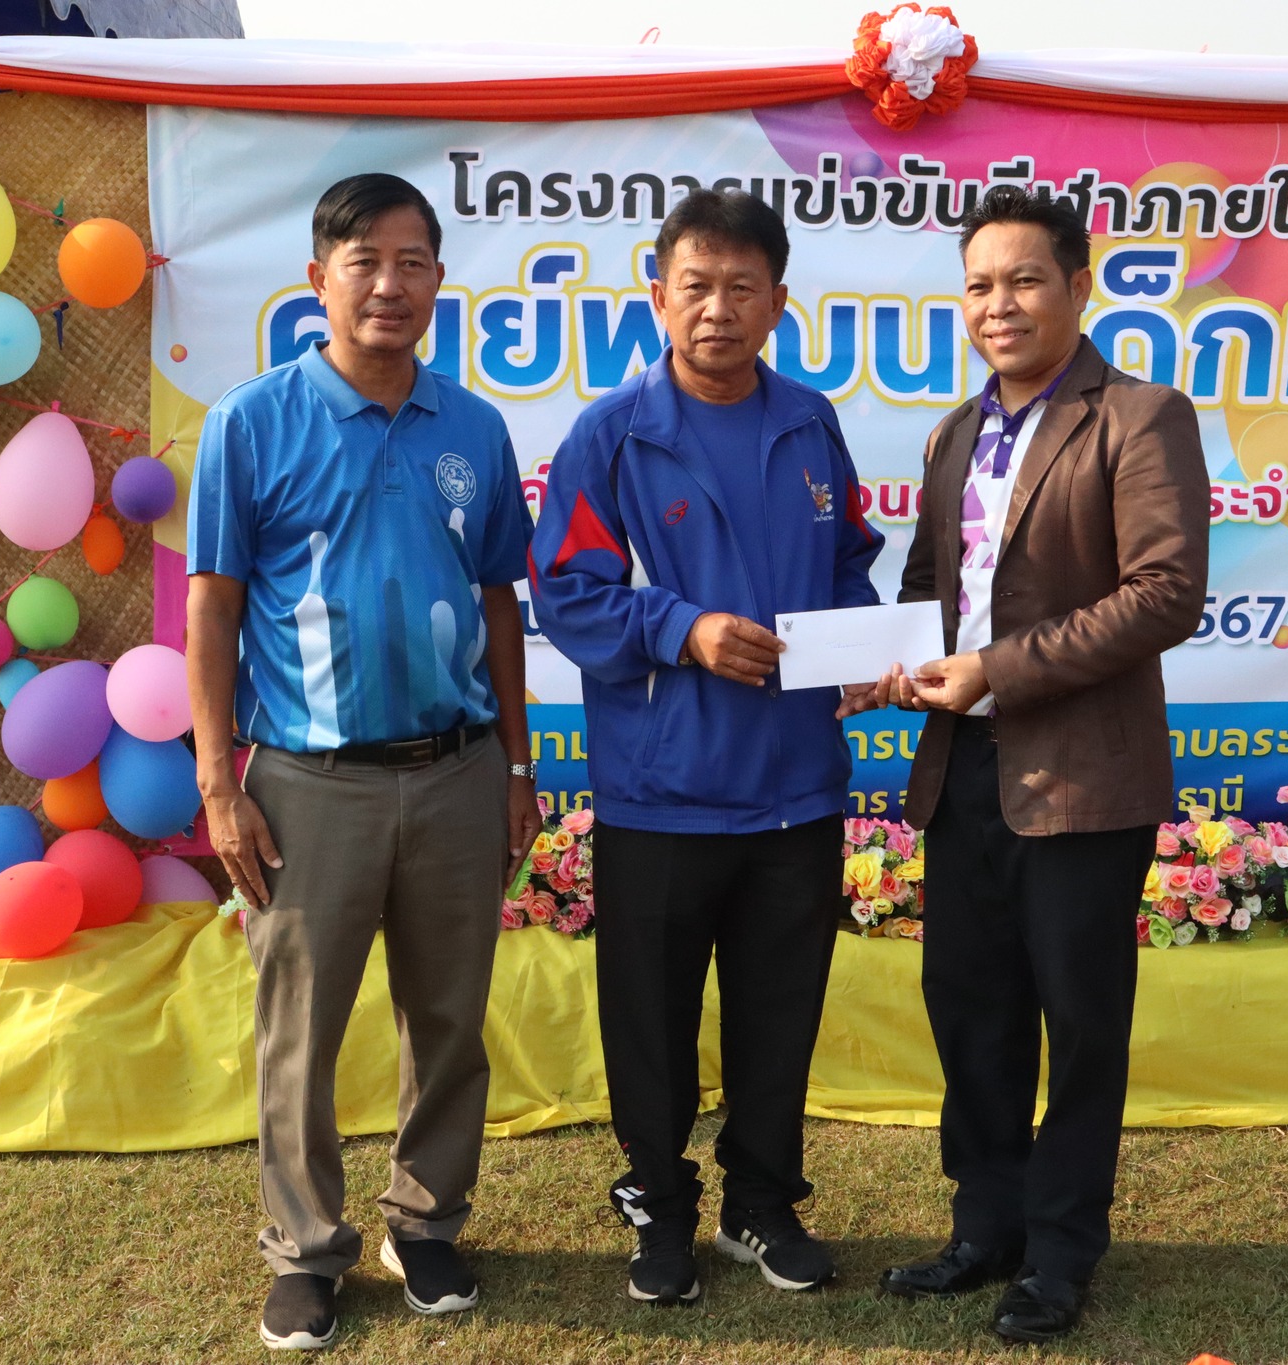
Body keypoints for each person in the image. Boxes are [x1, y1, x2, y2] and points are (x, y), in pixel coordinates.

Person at [843, 185, 1209, 1344]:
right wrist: (879, 666)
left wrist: (995, 668)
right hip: (963, 775)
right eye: (977, 286)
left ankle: (1058, 1252)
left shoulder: (1138, 417)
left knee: (1078, 1025)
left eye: (1021, 280)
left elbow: (1164, 593)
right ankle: (983, 1228)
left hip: (1083, 781)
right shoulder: (953, 433)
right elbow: (927, 593)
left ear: (1076, 286)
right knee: (970, 1012)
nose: (996, 305)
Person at [185, 172, 540, 1352]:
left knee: (448, 1018)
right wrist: (218, 784)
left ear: (438, 279)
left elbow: (497, 600)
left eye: (411, 262)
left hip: (455, 772)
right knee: (300, 1031)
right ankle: (304, 1251)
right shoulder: (252, 422)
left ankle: (427, 1224)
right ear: (318, 279)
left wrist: (516, 767)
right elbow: (211, 608)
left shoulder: (473, 428)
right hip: (306, 784)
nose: (389, 284)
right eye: (363, 262)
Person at [530, 189, 883, 1306]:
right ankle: (659, 1202)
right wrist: (681, 629)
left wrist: (861, 647)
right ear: (657, 296)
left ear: (778, 303)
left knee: (781, 1013)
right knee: (651, 1021)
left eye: (741, 288)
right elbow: (567, 593)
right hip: (661, 791)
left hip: (796, 788)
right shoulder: (611, 435)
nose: (717, 309)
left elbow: (847, 563)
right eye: (695, 286)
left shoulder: (809, 422)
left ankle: (760, 1202)